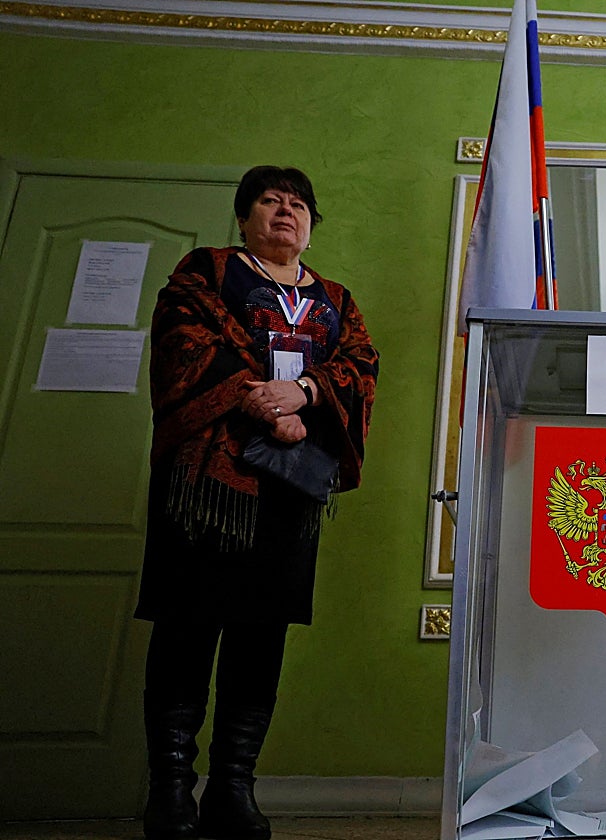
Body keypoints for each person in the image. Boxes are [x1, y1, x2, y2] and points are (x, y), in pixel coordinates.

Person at [135, 165, 379, 840]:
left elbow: (360, 364)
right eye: (270, 200)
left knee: (260, 636)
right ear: (244, 217)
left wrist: (303, 396)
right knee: (186, 627)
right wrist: (260, 400)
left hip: (289, 488)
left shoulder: (335, 298)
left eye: (299, 204)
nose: (285, 211)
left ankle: (233, 788)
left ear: (311, 223)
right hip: (208, 484)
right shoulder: (206, 272)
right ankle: (171, 792)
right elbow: (187, 342)